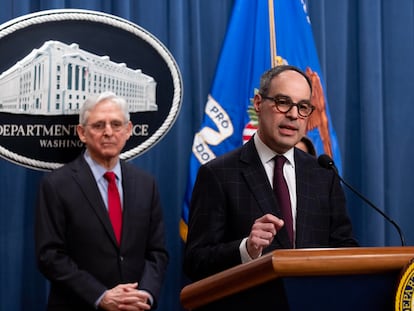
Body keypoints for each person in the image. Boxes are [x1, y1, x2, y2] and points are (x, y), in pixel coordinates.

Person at [183, 65, 358, 310]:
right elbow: (195, 262)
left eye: (303, 107)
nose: (293, 115)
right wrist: (247, 248)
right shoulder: (217, 174)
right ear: (258, 103)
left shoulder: (323, 174)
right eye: (283, 102)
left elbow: (344, 248)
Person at [35, 91, 169, 311]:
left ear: (128, 131)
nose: (108, 132)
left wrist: (145, 294)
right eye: (98, 125)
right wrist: (100, 296)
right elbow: (50, 256)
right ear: (82, 133)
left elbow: (157, 253)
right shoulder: (56, 185)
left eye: (116, 124)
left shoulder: (146, 184)